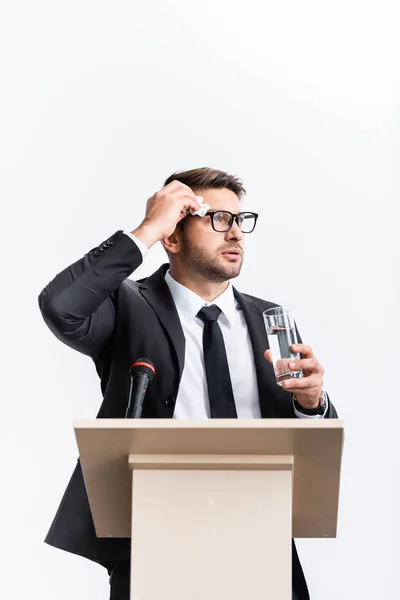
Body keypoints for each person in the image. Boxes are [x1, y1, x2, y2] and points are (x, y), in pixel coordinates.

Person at [38, 167, 337, 600]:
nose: (234, 233)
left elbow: (315, 449)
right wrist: (145, 231)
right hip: (154, 534)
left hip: (261, 532)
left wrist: (312, 402)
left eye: (239, 220)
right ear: (173, 238)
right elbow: (61, 306)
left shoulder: (271, 320)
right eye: (217, 219)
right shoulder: (128, 306)